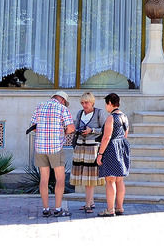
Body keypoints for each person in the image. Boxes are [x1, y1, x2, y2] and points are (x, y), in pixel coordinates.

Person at [29, 90, 75, 218]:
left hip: (40, 148)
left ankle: (45, 208)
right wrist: (63, 132)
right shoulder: (62, 108)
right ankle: (58, 208)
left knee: (44, 179)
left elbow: (33, 126)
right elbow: (71, 128)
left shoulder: (39, 106)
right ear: (63, 100)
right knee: (60, 179)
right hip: (55, 147)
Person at [95, 92, 130, 217]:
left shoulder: (111, 118)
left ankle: (110, 209)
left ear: (110, 103)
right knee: (119, 179)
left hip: (112, 149)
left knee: (110, 180)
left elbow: (106, 137)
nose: (106, 106)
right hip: (122, 147)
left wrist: (100, 154)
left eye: (106, 103)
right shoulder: (124, 117)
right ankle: (119, 207)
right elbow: (126, 135)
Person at [71, 92, 107, 213]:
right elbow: (75, 128)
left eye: (86, 102)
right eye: (82, 103)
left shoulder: (99, 113)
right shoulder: (79, 113)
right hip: (81, 147)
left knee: (90, 177)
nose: (84, 105)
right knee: (84, 176)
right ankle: (90, 202)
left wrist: (92, 130)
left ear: (92, 102)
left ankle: (88, 204)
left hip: (92, 147)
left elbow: (105, 129)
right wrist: (78, 131)